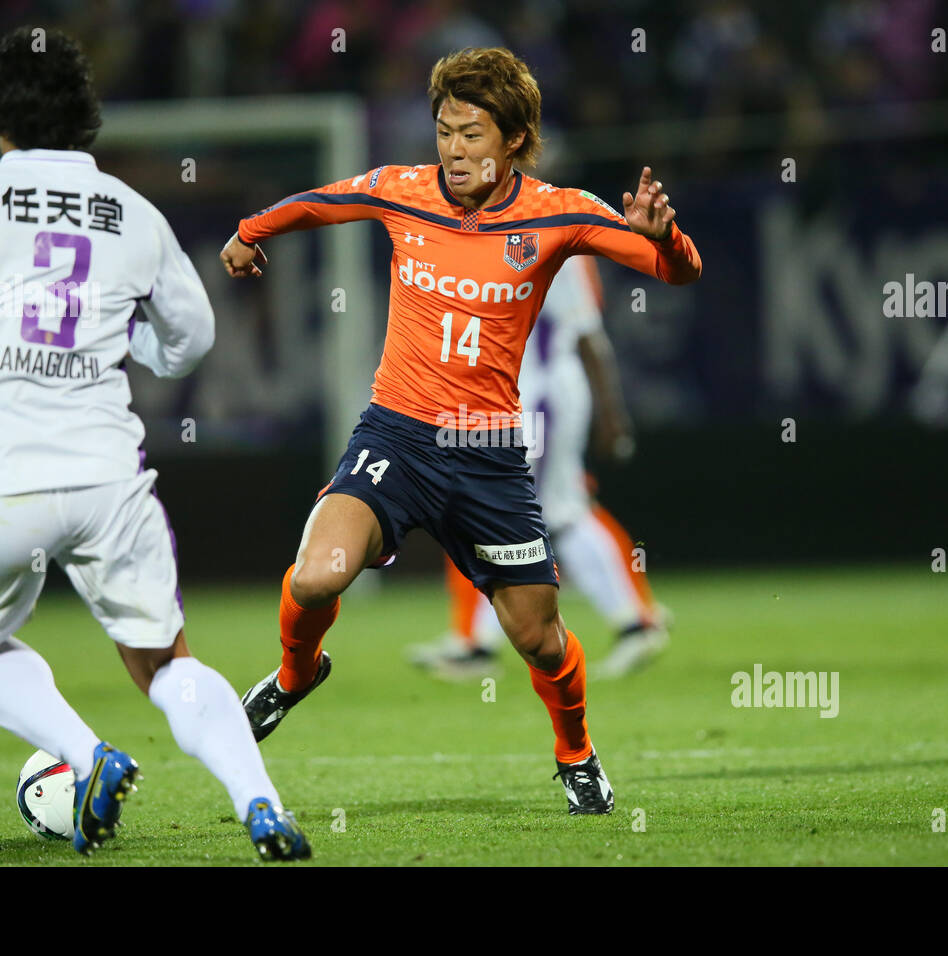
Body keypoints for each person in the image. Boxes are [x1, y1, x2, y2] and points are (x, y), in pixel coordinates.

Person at [0, 27, 308, 861]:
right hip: (108, 481)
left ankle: (89, 756)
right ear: (89, 119)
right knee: (167, 662)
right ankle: (262, 804)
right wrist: (144, 350)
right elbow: (192, 337)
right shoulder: (137, 214)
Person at [221, 46, 700, 815]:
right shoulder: (404, 192)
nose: (454, 149)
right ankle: (293, 675)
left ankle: (575, 752)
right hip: (396, 437)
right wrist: (252, 230)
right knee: (316, 575)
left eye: (472, 134)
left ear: (513, 139)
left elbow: (680, 271)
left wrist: (664, 237)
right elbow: (318, 202)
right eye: (445, 130)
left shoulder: (559, 212)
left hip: (487, 454)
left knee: (539, 640)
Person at [410, 255, 671, 680]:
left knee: (546, 515)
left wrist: (613, 414)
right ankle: (479, 641)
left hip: (539, 399)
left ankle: (634, 622)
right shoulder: (494, 235)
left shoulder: (548, 240)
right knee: (538, 513)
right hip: (515, 400)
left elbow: (587, 334)